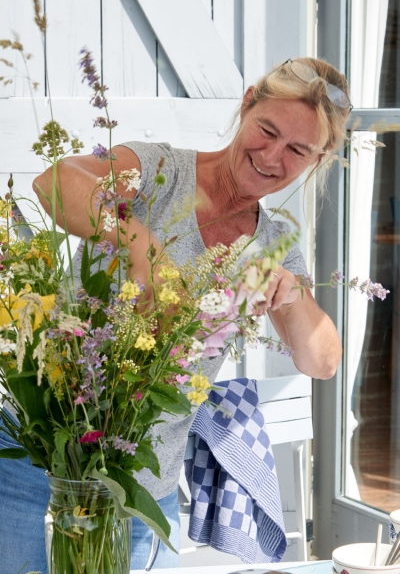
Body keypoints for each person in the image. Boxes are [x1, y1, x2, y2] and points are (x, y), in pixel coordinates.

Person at [0, 57, 350, 572]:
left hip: (143, 490)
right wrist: (138, 242)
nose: (272, 156)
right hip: (41, 465)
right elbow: (55, 182)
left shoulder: (273, 245)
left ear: (316, 159)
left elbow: (322, 360)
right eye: (267, 130)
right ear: (247, 103)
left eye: (297, 150)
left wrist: (291, 294)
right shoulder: (158, 173)